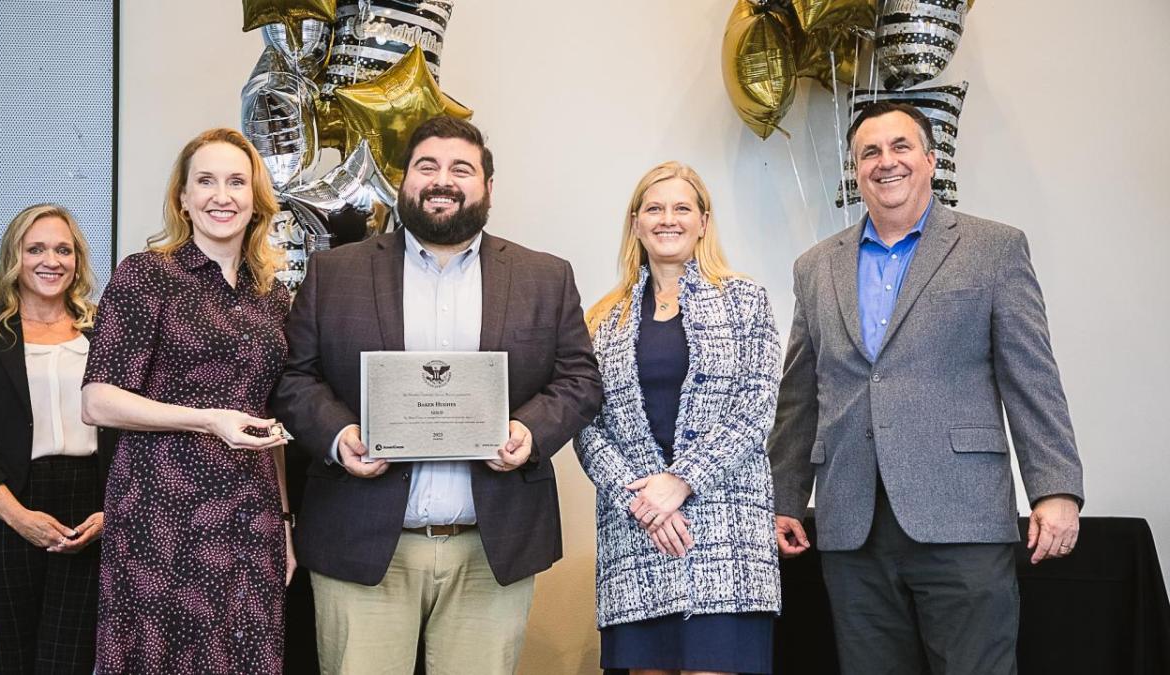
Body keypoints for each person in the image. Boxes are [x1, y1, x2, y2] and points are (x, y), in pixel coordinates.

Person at [271, 115, 602, 675]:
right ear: (404, 182)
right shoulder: (335, 273)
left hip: (490, 547)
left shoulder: (544, 277)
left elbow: (579, 379)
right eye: (427, 166)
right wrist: (338, 437)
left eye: (460, 169)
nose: (442, 180)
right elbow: (293, 378)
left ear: (488, 188)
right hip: (361, 540)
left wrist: (529, 432)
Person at [768, 101, 1084, 675]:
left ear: (931, 160)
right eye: (870, 152)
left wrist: (1055, 487)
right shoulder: (816, 267)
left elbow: (1032, 376)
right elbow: (801, 394)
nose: (885, 162)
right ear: (855, 169)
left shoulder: (993, 248)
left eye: (900, 147)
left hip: (961, 515)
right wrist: (785, 496)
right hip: (852, 523)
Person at [81, 128, 295, 673]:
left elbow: (267, 420)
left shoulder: (272, 294)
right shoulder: (147, 275)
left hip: (251, 514)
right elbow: (98, 401)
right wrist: (207, 420)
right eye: (205, 181)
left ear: (255, 199)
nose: (221, 195)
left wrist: (286, 523)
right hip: (161, 511)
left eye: (236, 182)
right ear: (183, 197)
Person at [576, 161, 782, 675]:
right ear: (636, 222)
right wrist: (645, 499)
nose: (668, 219)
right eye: (654, 208)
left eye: (682, 208)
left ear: (703, 221)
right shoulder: (603, 317)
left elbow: (756, 407)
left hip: (725, 531)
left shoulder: (745, 300)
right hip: (636, 532)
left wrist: (683, 481)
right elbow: (584, 422)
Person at [0, 204, 114, 674]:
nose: (50, 260)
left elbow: (129, 431)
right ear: (15, 256)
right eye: (36, 249)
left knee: (69, 663)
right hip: (3, 508)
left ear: (77, 260)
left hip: (88, 507)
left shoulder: (104, 332)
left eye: (62, 249)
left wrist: (110, 510)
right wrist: (17, 516)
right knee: (12, 660)